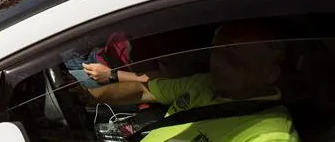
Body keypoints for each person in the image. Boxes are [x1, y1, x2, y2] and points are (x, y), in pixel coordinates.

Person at [83, 21, 297, 142]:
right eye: (215, 53)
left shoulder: (269, 135)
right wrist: (90, 96)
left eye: (233, 60)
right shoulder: (204, 84)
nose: (218, 64)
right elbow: (142, 90)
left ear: (270, 73)